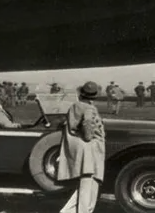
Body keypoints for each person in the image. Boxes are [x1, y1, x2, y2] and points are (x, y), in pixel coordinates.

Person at [57, 81, 106, 213]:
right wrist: (88, 136)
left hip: (78, 147)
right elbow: (87, 124)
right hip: (90, 148)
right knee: (89, 185)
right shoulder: (89, 108)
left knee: (86, 184)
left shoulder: (74, 106)